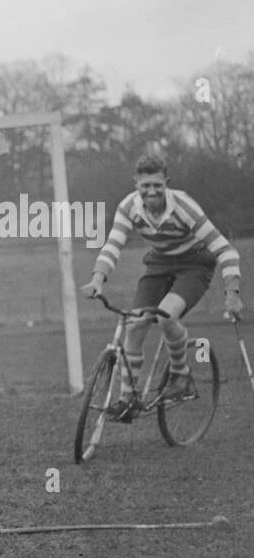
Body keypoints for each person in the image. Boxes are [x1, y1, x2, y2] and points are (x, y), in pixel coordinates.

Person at [81, 154, 242, 420]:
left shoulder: (184, 207)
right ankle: (128, 399)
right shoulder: (129, 207)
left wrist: (232, 294)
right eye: (145, 186)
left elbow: (226, 251)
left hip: (194, 265)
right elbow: (112, 245)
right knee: (135, 324)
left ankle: (180, 377)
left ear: (166, 182)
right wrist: (98, 278)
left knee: (166, 315)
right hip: (158, 265)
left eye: (157, 185)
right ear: (136, 184)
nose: (152, 191)